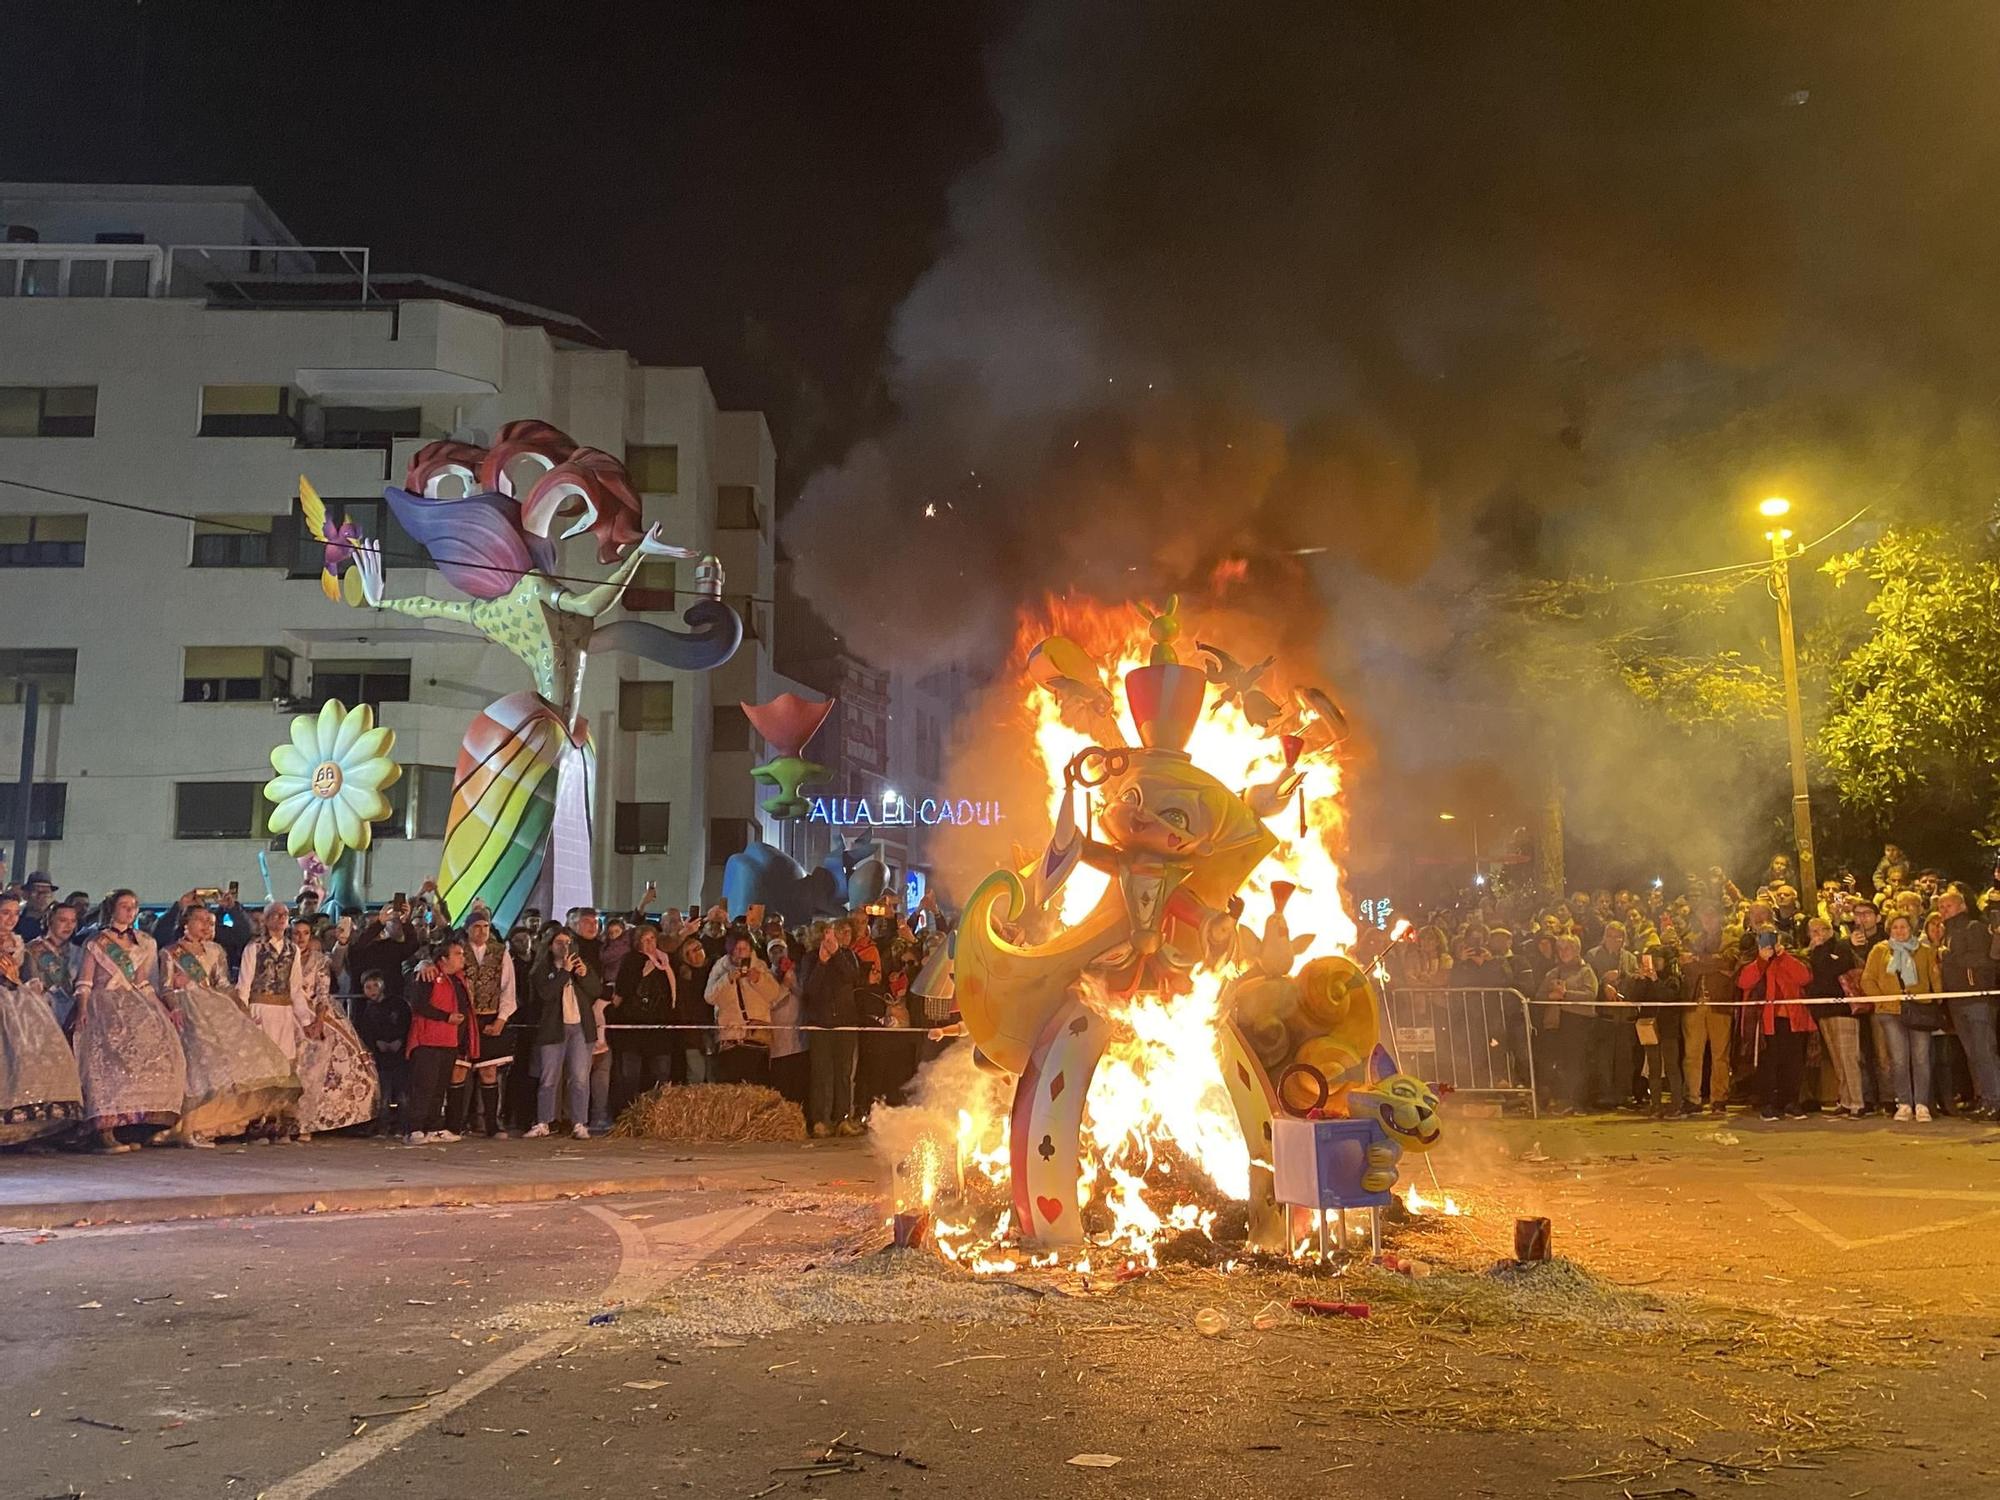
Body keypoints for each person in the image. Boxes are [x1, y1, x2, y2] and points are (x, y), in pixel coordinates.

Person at [159, 905, 298, 1145]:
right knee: (198, 1065)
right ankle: (187, 1127)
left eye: (210, 921)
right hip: (188, 1008)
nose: (206, 925)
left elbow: (222, 983)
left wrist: (240, 1007)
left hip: (214, 1006)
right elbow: (166, 987)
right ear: (186, 923)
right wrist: (176, 1006)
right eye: (200, 920)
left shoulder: (215, 950)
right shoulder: (171, 952)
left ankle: (212, 1125)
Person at [72, 889, 187, 1151]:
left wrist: (162, 1008)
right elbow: (85, 982)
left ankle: (138, 1126)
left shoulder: (144, 942)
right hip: (104, 1003)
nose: (130, 910)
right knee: (106, 1063)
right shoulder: (96, 941)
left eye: (134, 906)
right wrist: (81, 1009)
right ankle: (104, 1130)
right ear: (112, 909)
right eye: (124, 906)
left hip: (135, 1003)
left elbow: (143, 982)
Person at [292, 922, 379, 1138]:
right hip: (286, 1012)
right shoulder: (284, 956)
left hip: (316, 1013)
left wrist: (319, 1020)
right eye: (296, 933)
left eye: (305, 933)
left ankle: (310, 1121)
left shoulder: (318, 960)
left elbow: (322, 992)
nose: (301, 938)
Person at [0, 929, 83, 1145]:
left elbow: (27, 974)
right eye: (5, 913)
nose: (11, 919)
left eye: (15, 913)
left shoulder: (17, 940)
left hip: (16, 1000)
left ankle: (26, 1125)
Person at [1861, 913, 1941, 1122]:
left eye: (1903, 927)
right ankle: (1904, 1103)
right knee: (1898, 1059)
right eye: (1895, 927)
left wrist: (1936, 1001)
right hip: (1890, 1011)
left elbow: (1934, 977)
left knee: (1921, 1058)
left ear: (1911, 928)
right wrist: (1882, 1000)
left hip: (1919, 1009)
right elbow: (1867, 979)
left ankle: (1922, 1103)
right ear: (1889, 929)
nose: (1899, 931)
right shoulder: (1879, 950)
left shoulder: (1924, 950)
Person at [236, 903, 315, 1113]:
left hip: (283, 1012)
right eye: (276, 915)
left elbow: (295, 988)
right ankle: (256, 1116)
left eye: (285, 915)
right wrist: (244, 1016)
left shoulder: (293, 950)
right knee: (260, 1065)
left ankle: (278, 1117)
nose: (281, 918)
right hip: (259, 1009)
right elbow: (244, 984)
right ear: (267, 919)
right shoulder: (254, 948)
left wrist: (305, 1020)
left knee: (284, 1065)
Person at [446, 913, 517, 1138]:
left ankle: (491, 1124)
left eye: (486, 926)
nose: (482, 931)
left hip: (489, 1016)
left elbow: (508, 989)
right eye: (477, 926)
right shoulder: (457, 951)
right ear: (467, 929)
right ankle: (454, 1124)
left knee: (489, 1071)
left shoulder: (500, 952)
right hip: (463, 1019)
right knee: (458, 1070)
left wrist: (501, 1019)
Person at [528, 924, 600, 1139]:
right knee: (549, 1078)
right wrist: (564, 972)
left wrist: (585, 975)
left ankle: (579, 1122)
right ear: (550, 946)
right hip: (553, 1029)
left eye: (568, 943)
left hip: (580, 1027)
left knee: (579, 1078)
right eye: (559, 943)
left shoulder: (581, 965)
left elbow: (596, 991)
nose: (564, 947)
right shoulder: (542, 970)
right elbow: (546, 994)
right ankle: (543, 1122)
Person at [1936, 887, 2000, 1119]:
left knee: (1985, 1051)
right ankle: (1984, 1098)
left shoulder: (1974, 928)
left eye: (1948, 906)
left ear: (1962, 906)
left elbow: (1986, 961)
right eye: (1941, 907)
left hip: (1977, 999)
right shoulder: (1947, 933)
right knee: (1973, 1054)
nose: (1944, 911)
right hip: (1957, 1000)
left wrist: (1950, 956)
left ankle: (1996, 1100)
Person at [405, 936, 472, 1145]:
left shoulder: (458, 979)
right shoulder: (428, 975)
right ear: (443, 958)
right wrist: (446, 1017)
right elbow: (418, 1004)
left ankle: (433, 1127)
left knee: (439, 1088)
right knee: (424, 1087)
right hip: (428, 1041)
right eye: (458, 954)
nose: (462, 958)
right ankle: (414, 1128)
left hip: (449, 1042)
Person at [1801, 915, 1866, 1118]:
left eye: (1822, 929)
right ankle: (1845, 1100)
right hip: (1823, 1011)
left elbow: (1832, 969)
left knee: (1849, 1058)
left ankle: (1857, 1102)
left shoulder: (1841, 947)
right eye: (1814, 931)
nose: (1818, 934)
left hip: (1843, 1010)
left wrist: (1819, 949)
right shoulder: (1809, 953)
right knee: (1837, 1059)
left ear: (1830, 930)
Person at [804, 920, 864, 1136]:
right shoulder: (810, 959)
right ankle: (820, 1120)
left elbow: (852, 977)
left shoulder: (847, 956)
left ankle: (843, 1118)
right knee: (821, 1074)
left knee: (844, 1074)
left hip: (845, 1023)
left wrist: (836, 954)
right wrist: (821, 963)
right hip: (820, 1024)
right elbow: (809, 989)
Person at [611, 924, 676, 1109]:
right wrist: (642, 974)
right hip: (634, 1024)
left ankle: (659, 1113)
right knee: (631, 1074)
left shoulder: (665, 961)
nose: (649, 943)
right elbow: (623, 990)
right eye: (644, 940)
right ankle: (628, 1111)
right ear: (637, 942)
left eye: (652, 939)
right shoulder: (631, 960)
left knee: (661, 1072)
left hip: (659, 1025)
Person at [706, 932, 782, 1085]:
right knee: (731, 1085)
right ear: (731, 950)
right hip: (731, 1037)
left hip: (756, 1037)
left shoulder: (760, 966)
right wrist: (727, 980)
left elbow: (774, 994)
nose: (741, 952)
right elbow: (710, 997)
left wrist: (758, 980)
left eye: (745, 948)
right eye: (737, 948)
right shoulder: (720, 968)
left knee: (756, 1084)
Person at [1682, 904, 1735, 1114]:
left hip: (1719, 1003)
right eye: (1704, 915)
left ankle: (1719, 1098)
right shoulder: (1691, 939)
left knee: (1720, 1054)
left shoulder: (1730, 939)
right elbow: (1686, 965)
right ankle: (1692, 1098)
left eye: (1712, 915)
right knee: (1691, 1054)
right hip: (1694, 1002)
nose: (1708, 919)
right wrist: (1714, 965)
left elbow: (1729, 961)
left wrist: (1698, 960)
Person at [1538, 934, 1600, 1114]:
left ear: (1576, 950)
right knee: (1561, 1063)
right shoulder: (1553, 973)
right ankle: (1564, 1100)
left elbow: (1591, 994)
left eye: (1568, 948)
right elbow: (1539, 995)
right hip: (1556, 1024)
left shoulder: (1586, 971)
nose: (1564, 952)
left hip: (1578, 1023)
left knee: (1577, 1063)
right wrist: (1551, 997)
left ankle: (1579, 1102)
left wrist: (1566, 994)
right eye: (1561, 949)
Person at [1626, 943, 1686, 1117]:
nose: (1654, 963)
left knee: (1671, 1066)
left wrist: (1655, 980)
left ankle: (1676, 1103)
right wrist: (1640, 980)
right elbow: (1634, 997)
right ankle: (1656, 1105)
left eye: (1657, 960)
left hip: (1668, 1028)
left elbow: (1668, 996)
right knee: (1653, 1067)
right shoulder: (1645, 980)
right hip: (1648, 1027)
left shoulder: (1672, 979)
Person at [352, 970, 411, 1136]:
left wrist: (400, 1041)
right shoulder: (367, 1011)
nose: (372, 991)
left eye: (375, 986)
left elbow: (406, 1024)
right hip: (381, 1059)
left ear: (382, 986)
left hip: (400, 1057)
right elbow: (366, 1032)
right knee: (383, 1096)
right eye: (367, 987)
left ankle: (403, 1126)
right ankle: (383, 1126)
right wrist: (377, 1043)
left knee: (402, 1095)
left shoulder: (398, 1005)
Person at [766, 938, 809, 1109]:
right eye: (774, 952)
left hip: (800, 1041)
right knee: (782, 1086)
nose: (778, 955)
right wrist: (784, 986)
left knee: (799, 1085)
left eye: (781, 951)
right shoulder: (767, 977)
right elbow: (770, 1003)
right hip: (779, 1043)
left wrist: (794, 985)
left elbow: (807, 998)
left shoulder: (798, 973)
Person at [25, 902, 80, 1031]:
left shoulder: (78, 951)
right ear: (49, 920)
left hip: (72, 1018)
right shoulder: (32, 950)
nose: (69, 926)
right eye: (63, 920)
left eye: (73, 921)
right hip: (41, 1016)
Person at [670, 933, 716, 1084]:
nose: (696, 954)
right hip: (692, 1032)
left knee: (713, 1075)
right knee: (696, 1073)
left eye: (698, 948)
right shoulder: (684, 977)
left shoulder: (715, 969)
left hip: (715, 1028)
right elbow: (683, 1006)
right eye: (690, 952)